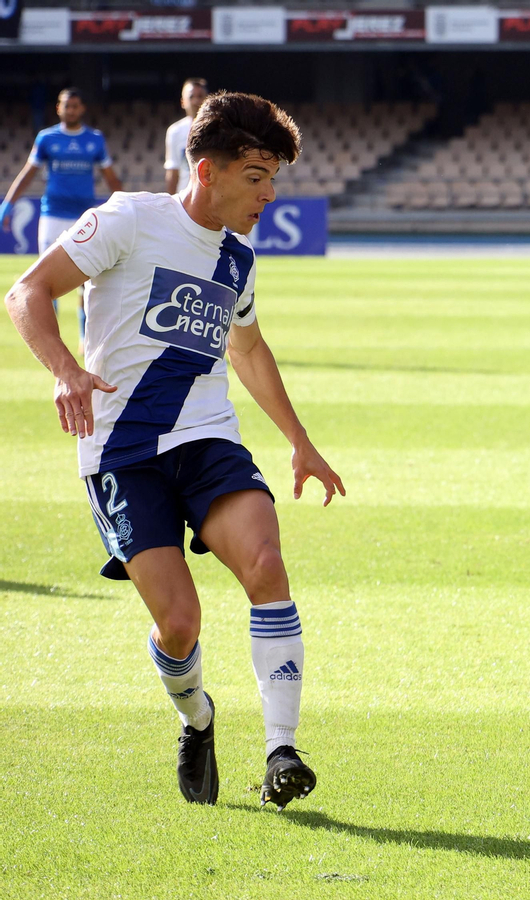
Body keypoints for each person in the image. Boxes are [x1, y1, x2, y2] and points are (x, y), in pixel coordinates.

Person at [2, 92, 343, 809]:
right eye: (256, 176)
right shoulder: (129, 218)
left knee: (266, 563)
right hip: (120, 451)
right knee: (179, 624)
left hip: (206, 435)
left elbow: (247, 351)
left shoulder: (238, 260)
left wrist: (301, 443)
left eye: (274, 177)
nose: (269, 194)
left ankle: (282, 749)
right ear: (206, 168)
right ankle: (197, 719)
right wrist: (66, 370)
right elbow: (28, 293)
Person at [0, 88, 123, 336]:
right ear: (59, 108)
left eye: (75, 105)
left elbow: (111, 179)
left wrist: (125, 204)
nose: (71, 110)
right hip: (52, 214)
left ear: (82, 109)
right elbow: (28, 174)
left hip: (84, 216)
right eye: (67, 105)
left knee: (88, 278)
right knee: (45, 279)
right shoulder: (47, 138)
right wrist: (8, 204)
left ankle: (82, 333)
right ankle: (51, 337)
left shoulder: (95, 139)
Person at [165, 78, 210, 196]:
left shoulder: (220, 129)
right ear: (182, 102)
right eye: (191, 97)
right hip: (186, 199)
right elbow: (173, 171)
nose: (196, 101)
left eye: (200, 96)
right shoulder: (175, 131)